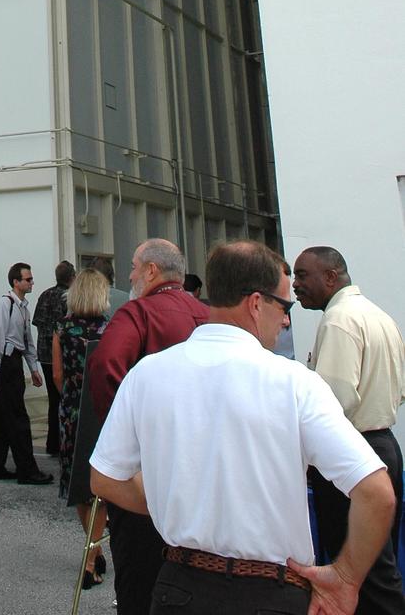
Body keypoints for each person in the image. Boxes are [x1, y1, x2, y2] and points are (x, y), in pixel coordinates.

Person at [90, 240, 397, 615]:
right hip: (271, 592)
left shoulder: (146, 374)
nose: (286, 320)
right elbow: (377, 493)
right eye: (284, 307)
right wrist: (347, 579)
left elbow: (104, 478)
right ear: (256, 303)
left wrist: (172, 499)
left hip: (177, 587)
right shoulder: (292, 382)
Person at [88, 238, 208, 614]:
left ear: (152, 271)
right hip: (206, 469)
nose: (131, 275)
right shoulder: (208, 314)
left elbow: (105, 368)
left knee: (141, 581)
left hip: (149, 478)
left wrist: (128, 438)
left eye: (135, 267)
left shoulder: (138, 314)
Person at [293, 246, 405, 614]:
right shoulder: (378, 316)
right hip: (384, 446)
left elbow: (334, 404)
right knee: (377, 567)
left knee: (361, 575)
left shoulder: (340, 319)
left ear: (331, 276)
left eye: (302, 275)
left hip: (352, 456)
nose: (295, 286)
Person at [52, 267, 109, 588]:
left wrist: (71, 398)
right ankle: (93, 555)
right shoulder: (110, 328)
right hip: (102, 410)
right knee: (100, 486)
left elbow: (57, 376)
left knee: (78, 485)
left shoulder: (63, 328)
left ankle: (92, 555)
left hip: (71, 409)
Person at [0, 261, 52, 485]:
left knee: (1, 419)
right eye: (28, 279)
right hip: (6, 364)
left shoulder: (23, 307)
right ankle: (27, 470)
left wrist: (34, 368)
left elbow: (27, 341)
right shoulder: (5, 305)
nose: (32, 282)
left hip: (13, 362)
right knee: (18, 418)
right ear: (16, 282)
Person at [32, 260, 75, 456]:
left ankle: (52, 443)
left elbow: (37, 322)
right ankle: (64, 442)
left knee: (52, 400)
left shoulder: (45, 295)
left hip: (45, 354)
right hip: (63, 354)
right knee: (65, 398)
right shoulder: (69, 298)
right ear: (72, 277)